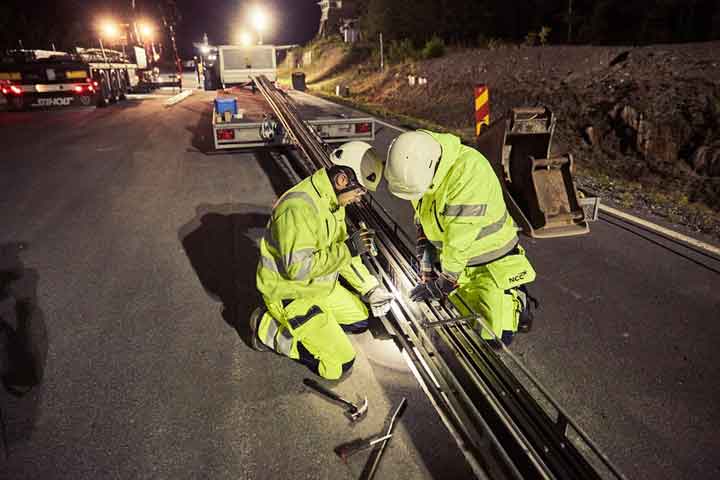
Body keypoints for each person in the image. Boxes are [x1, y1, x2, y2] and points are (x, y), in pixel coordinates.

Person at [249, 141, 394, 379]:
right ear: (341, 180)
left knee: (360, 320)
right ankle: (267, 327)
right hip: (290, 293)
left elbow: (344, 253)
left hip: (319, 287)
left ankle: (316, 326)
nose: (359, 199)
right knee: (339, 364)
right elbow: (298, 268)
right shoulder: (299, 208)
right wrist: (348, 249)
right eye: (359, 191)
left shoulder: (333, 203)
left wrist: (370, 289)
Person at [384, 130, 537, 346]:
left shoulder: (468, 171)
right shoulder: (419, 168)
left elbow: (459, 240)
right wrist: (425, 257)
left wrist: (445, 281)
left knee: (496, 338)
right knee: (463, 321)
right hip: (456, 262)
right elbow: (423, 215)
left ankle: (517, 300)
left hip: (491, 263)